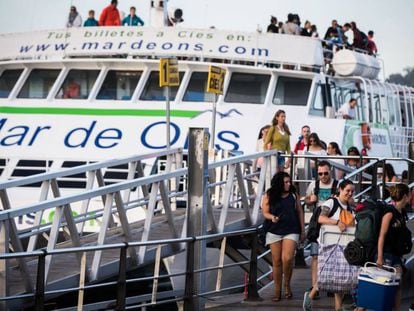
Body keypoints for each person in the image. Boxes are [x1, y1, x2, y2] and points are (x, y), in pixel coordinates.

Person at [303, 180, 356, 311]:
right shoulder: (331, 202)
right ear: (340, 189)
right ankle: (310, 296)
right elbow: (321, 218)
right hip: (329, 244)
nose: (349, 193)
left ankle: (338, 308)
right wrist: (337, 222)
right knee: (325, 274)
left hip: (343, 244)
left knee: (339, 278)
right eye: (347, 190)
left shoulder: (348, 207)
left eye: (352, 191)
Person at [261, 172, 305, 302]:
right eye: (286, 182)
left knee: (288, 258)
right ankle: (277, 290)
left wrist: (303, 230)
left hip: (292, 229)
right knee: (277, 261)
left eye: (289, 181)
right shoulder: (270, 194)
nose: (288, 184)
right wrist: (272, 217)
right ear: (279, 183)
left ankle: (287, 285)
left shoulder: (293, 194)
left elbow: (300, 212)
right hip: (274, 230)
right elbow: (265, 212)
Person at [304, 161, 338, 302]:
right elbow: (305, 200)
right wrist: (310, 200)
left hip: (333, 224)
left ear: (330, 171)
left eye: (325, 173)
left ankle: (331, 285)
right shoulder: (314, 185)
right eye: (320, 174)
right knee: (315, 256)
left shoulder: (337, 184)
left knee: (334, 255)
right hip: (318, 224)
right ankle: (314, 286)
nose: (323, 176)